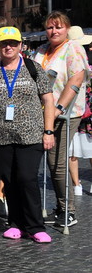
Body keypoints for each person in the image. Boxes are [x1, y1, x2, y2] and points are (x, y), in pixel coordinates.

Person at [0, 27, 54, 243]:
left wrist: (48, 131)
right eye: (4, 43)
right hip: (1, 135)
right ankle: (16, 223)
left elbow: (48, 100)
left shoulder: (33, 68)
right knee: (9, 181)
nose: (8, 47)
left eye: (12, 43)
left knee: (27, 178)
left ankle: (36, 226)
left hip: (30, 134)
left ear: (20, 45)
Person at [32, 11, 88, 227]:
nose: (54, 31)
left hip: (66, 113)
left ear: (67, 28)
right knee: (50, 161)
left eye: (58, 27)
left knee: (58, 161)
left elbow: (76, 78)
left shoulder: (73, 48)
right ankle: (60, 206)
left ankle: (68, 209)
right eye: (50, 27)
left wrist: (58, 108)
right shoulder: (42, 50)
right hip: (43, 111)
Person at [68, 26, 92, 195]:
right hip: (86, 112)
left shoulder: (65, 59)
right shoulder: (86, 62)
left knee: (72, 151)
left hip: (70, 110)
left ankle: (76, 185)